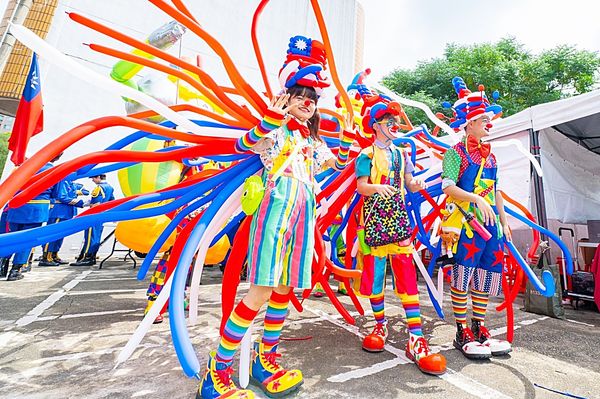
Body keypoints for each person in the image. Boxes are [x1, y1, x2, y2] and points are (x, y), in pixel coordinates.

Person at [197, 35, 355, 399]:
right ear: (287, 96)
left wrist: (346, 135)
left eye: (313, 99)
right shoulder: (273, 130)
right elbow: (243, 144)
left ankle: (263, 360)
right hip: (276, 211)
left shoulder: (312, 141)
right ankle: (216, 371)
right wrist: (271, 116)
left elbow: (340, 164)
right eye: (301, 95)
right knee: (261, 289)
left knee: (285, 288)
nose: (307, 103)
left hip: (304, 212)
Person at [353, 94, 446, 375]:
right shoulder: (366, 155)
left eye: (394, 121)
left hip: (398, 218)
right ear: (375, 125)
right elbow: (361, 187)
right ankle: (380, 325)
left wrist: (416, 182)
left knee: (406, 273)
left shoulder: (401, 153)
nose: (393, 125)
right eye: (388, 121)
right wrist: (376, 189)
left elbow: (409, 183)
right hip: (374, 219)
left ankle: (416, 338)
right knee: (376, 274)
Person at [441, 77, 512, 359]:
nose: (488, 124)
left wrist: (504, 223)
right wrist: (476, 199)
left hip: (490, 225)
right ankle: (461, 331)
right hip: (463, 224)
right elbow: (447, 187)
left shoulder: (492, 158)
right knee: (463, 276)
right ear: (469, 123)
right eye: (483, 119)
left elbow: (496, 192)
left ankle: (480, 327)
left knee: (484, 276)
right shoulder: (454, 153)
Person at [5, 155, 59, 280]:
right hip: (36, 209)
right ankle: (15, 270)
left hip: (16, 207)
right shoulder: (54, 170)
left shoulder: (23, 167)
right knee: (27, 239)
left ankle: (3, 264)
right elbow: (56, 193)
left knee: (12, 236)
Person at [39, 180, 88, 266]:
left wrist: (78, 192)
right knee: (52, 235)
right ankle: (46, 257)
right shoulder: (62, 182)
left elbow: (85, 191)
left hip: (66, 212)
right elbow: (62, 197)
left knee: (60, 236)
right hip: (58, 212)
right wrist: (80, 203)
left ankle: (54, 255)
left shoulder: (71, 183)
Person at [71, 174, 114, 267]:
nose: (92, 180)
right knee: (96, 237)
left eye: (93, 178)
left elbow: (94, 203)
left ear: (98, 177)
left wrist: (83, 204)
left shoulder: (99, 188)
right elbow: (112, 202)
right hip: (101, 216)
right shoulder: (110, 187)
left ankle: (86, 258)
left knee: (90, 237)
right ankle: (92, 257)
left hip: (94, 215)